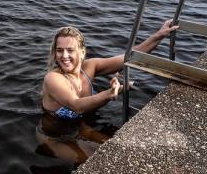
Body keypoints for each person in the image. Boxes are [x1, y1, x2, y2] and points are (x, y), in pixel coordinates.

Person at [37, 20, 178, 163]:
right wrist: (108, 94)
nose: (64, 55)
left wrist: (159, 35)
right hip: (54, 136)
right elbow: (76, 105)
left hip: (82, 126)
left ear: (82, 52)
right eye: (59, 50)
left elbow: (129, 58)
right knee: (99, 161)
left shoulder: (90, 67)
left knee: (122, 154)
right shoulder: (53, 78)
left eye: (70, 50)